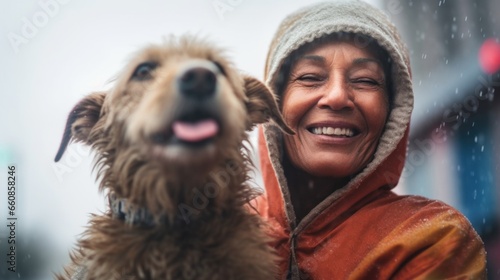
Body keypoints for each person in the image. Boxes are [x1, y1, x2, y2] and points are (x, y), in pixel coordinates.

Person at [254, 1, 487, 279]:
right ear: (273, 102)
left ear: (393, 113)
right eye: (310, 77)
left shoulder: (431, 239)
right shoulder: (214, 229)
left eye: (365, 80)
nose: (337, 96)